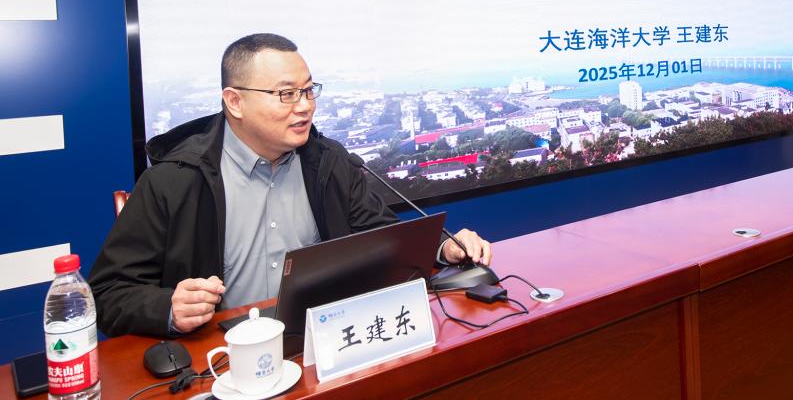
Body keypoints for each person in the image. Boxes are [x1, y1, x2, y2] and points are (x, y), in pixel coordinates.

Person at [89, 33, 491, 337]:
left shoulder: (328, 161)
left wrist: (443, 248)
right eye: (286, 94)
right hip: (220, 356)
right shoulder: (176, 179)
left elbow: (382, 235)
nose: (304, 106)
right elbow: (106, 293)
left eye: (308, 90)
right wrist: (167, 307)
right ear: (234, 101)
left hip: (321, 342)